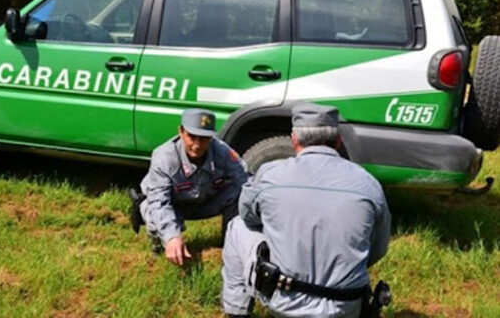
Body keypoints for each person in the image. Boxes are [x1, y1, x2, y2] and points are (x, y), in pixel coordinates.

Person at [221, 102, 391, 317]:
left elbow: (247, 215)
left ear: (294, 139)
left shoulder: (271, 174)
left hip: (286, 301)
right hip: (348, 305)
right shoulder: (368, 183)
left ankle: (236, 311)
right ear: (338, 141)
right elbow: (378, 248)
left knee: (237, 226)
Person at [131, 108, 248, 266]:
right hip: (174, 206)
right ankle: (159, 247)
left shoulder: (222, 151)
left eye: (204, 138)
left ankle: (231, 244)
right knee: (151, 212)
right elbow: (159, 203)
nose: (197, 145)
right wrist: (172, 238)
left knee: (241, 192)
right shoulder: (164, 157)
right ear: (181, 131)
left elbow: (246, 180)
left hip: (206, 201)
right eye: (192, 137)